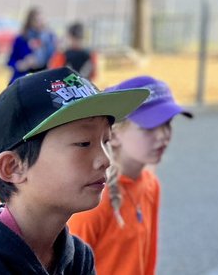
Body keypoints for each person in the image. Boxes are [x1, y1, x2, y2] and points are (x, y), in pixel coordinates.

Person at [0, 67, 147, 274]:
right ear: (13, 167)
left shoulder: (77, 258)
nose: (105, 160)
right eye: (83, 143)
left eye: (106, 142)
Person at [67, 75, 193, 275]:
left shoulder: (150, 184)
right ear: (114, 135)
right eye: (150, 127)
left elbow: (147, 260)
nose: (164, 136)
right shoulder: (92, 201)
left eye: (168, 123)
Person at [7, 9, 57, 84]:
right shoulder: (21, 39)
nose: (40, 23)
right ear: (30, 22)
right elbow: (10, 61)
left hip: (44, 78)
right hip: (23, 78)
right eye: (36, 20)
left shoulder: (50, 38)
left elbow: (56, 59)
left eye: (42, 20)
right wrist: (22, 64)